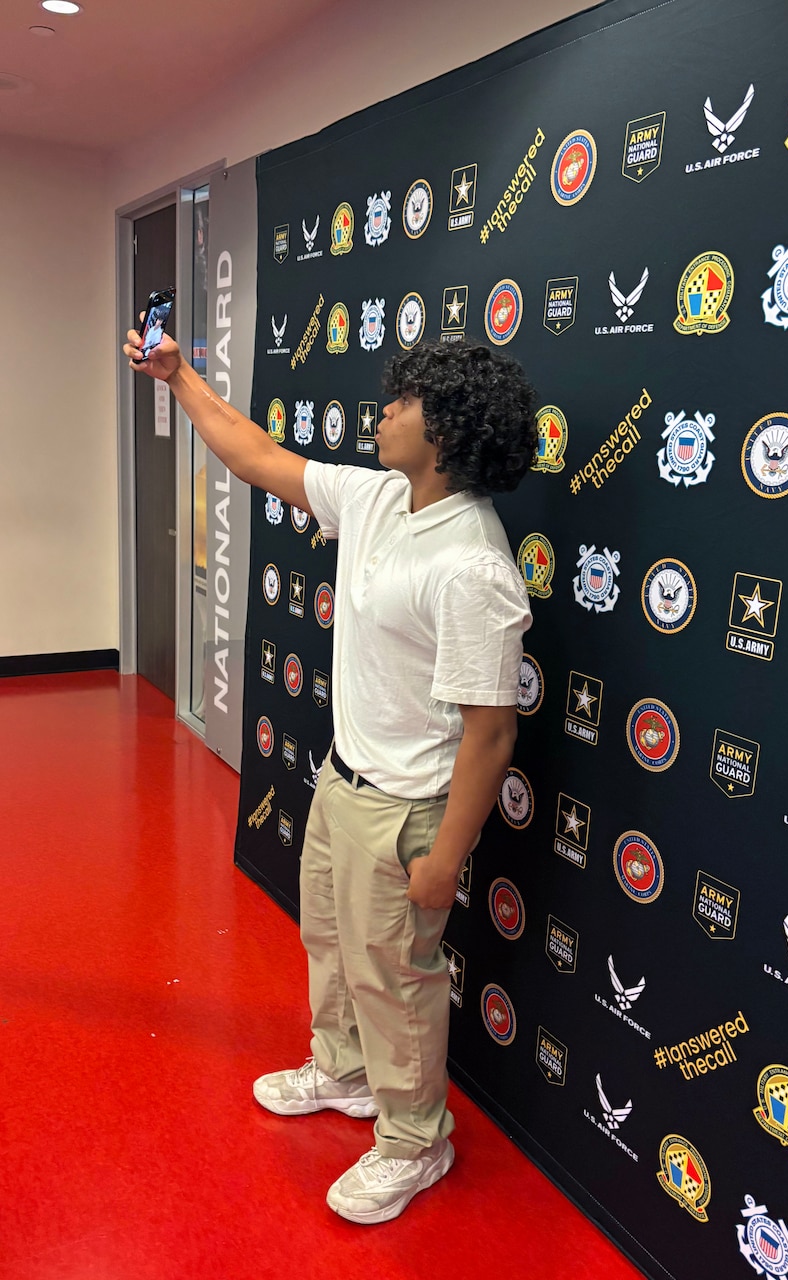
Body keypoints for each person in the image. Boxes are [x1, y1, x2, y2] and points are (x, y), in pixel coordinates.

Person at [124, 321, 537, 1224]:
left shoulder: (473, 565)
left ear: (447, 431)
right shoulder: (380, 499)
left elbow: (491, 737)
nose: (382, 410)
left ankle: (415, 1140)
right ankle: (346, 1073)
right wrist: (179, 377)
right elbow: (258, 455)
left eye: (403, 401)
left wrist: (443, 859)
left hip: (408, 811)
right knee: (334, 950)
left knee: (398, 982)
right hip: (345, 781)